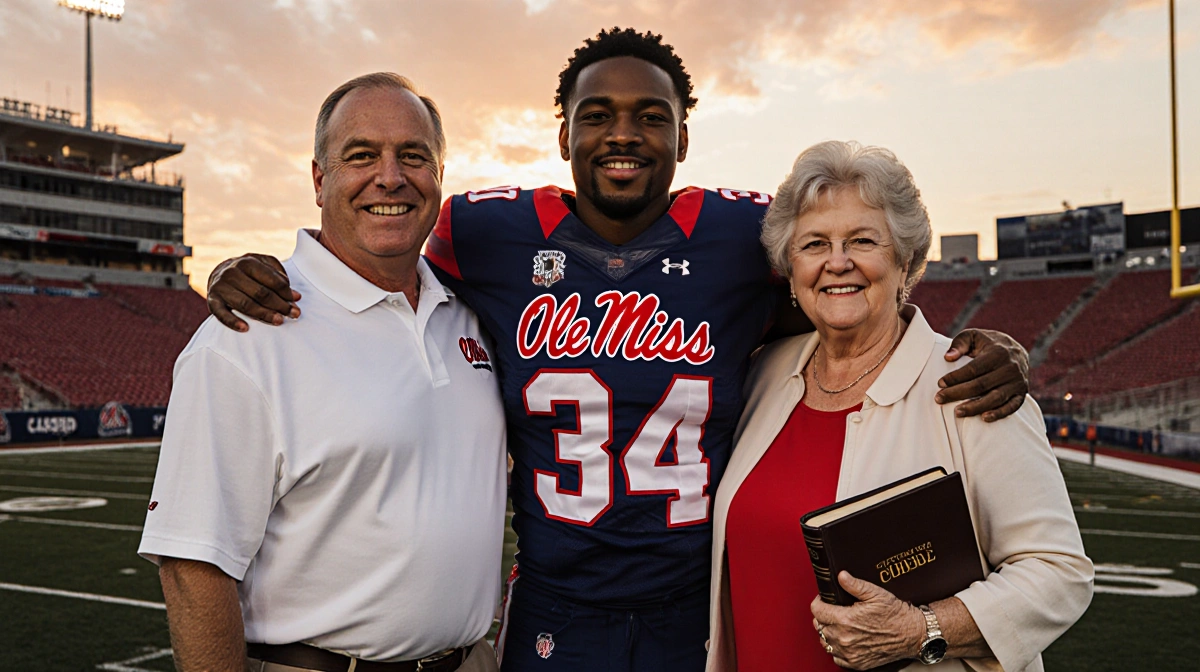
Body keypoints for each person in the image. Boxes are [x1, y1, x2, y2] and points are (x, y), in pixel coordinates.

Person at [204, 29, 1032, 672]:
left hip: (695, 605)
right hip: (554, 607)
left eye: (651, 116)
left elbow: (846, 292)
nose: (622, 134)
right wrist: (261, 269)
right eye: (597, 115)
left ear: (683, 135)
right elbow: (374, 257)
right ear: (562, 134)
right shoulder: (487, 231)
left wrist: (976, 341)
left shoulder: (743, 235)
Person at [138, 74, 507, 672]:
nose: (390, 177)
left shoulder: (468, 312)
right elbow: (192, 567)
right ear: (318, 179)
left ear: (439, 175)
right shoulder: (245, 337)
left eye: (413, 156)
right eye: (361, 155)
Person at [707, 141, 1092, 671]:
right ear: (789, 268)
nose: (837, 263)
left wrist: (922, 630)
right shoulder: (762, 373)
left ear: (905, 258)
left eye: (862, 240)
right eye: (814, 244)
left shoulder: (971, 384)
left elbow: (1059, 572)